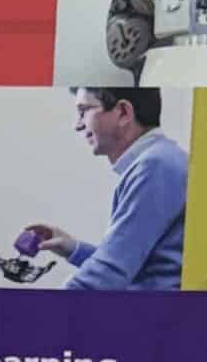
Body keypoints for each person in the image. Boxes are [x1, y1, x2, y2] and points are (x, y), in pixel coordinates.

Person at [25, 82, 186, 291]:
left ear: (123, 112)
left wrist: (41, 312)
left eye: (84, 111)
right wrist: (74, 249)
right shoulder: (161, 160)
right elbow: (131, 267)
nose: (78, 125)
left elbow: (111, 272)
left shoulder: (156, 166)